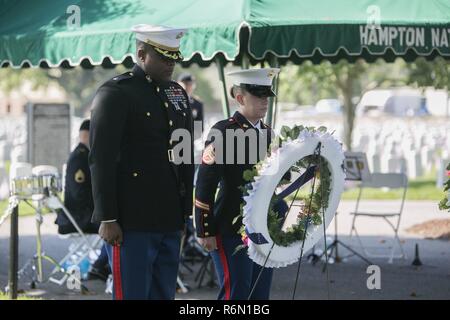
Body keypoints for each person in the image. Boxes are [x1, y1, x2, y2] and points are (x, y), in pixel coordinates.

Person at [89, 24, 194, 300]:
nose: (170, 64)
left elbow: (184, 156)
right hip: (130, 221)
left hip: (169, 218)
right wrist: (107, 217)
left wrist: (185, 213)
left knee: (164, 294)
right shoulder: (116, 93)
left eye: (174, 57)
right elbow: (101, 159)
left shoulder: (177, 94)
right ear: (141, 54)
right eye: (163, 56)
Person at [194, 68, 280, 300]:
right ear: (240, 98)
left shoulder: (270, 134)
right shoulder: (223, 131)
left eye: (266, 96)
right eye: (258, 96)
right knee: (237, 293)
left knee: (259, 294)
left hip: (263, 227)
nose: (264, 102)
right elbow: (205, 183)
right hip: (230, 227)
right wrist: (205, 229)